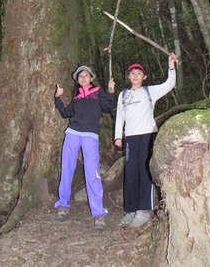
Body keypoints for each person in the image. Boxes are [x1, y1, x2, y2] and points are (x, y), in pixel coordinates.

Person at [114, 53, 177, 227]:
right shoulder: (123, 95)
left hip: (147, 135)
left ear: (144, 76)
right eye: (132, 73)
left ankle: (144, 210)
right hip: (130, 138)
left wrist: (171, 66)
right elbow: (120, 116)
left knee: (144, 171)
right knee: (130, 173)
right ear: (128, 76)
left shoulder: (150, 91)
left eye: (138, 73)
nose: (135, 76)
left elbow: (170, 84)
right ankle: (130, 210)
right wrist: (118, 136)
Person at [54, 65, 115, 230]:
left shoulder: (97, 92)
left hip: (90, 135)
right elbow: (66, 113)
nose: (83, 77)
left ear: (91, 78)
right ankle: (63, 204)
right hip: (72, 133)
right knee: (67, 168)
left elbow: (109, 108)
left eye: (86, 75)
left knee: (92, 172)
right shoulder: (76, 97)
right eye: (80, 76)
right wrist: (58, 98)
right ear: (77, 80)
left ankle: (98, 213)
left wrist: (110, 91)